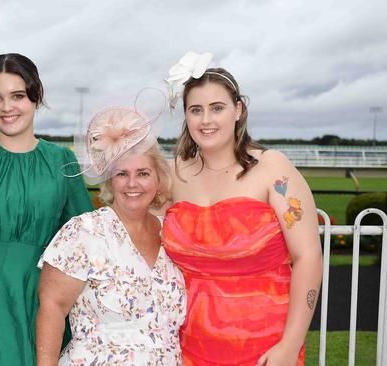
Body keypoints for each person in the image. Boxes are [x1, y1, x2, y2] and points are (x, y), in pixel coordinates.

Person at [161, 52, 322, 366]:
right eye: (196, 110)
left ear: (238, 110)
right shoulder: (172, 175)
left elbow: (309, 258)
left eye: (217, 108)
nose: (206, 120)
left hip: (267, 350)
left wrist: (290, 346)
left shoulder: (273, 169)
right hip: (186, 348)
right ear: (186, 116)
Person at [0, 53, 94, 365]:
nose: (6, 107)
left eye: (17, 96)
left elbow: (89, 239)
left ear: (36, 96)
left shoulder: (61, 161)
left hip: (47, 303)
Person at [36, 106, 187, 365]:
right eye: (122, 174)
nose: (132, 183)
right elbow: (52, 309)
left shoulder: (173, 234)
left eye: (143, 173)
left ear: (158, 178)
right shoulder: (84, 231)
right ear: (109, 180)